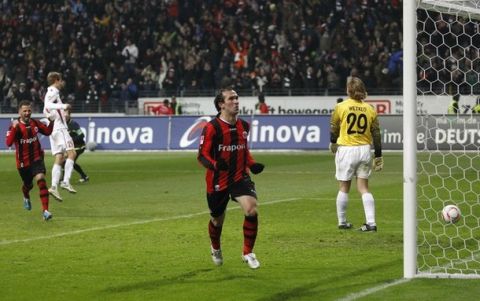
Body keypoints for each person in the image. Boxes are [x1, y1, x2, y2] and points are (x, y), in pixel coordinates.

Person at [197, 88, 265, 269]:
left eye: (237, 98)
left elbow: (244, 150)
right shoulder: (212, 128)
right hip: (217, 180)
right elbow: (202, 155)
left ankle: (248, 252)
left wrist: (252, 164)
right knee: (217, 220)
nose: (236, 101)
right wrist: (215, 165)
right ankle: (216, 247)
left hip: (239, 177)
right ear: (221, 104)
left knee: (251, 209)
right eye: (231, 99)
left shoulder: (244, 126)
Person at [329, 77, 383, 232]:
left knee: (344, 187)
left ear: (348, 90)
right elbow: (376, 134)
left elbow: (334, 127)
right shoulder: (370, 109)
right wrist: (378, 155)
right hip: (365, 150)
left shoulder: (341, 106)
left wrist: (333, 142)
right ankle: (371, 223)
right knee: (364, 188)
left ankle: (342, 221)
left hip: (346, 149)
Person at [5, 101, 55, 220]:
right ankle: (26, 195)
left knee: (41, 180)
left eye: (29, 111)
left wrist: (52, 122)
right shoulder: (14, 126)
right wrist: (14, 128)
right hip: (23, 163)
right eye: (25, 111)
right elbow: (8, 143)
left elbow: (47, 132)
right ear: (19, 112)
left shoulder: (35, 123)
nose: (27, 113)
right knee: (28, 185)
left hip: (37, 158)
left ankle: (45, 211)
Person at [43, 71, 77, 202]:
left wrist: (63, 114)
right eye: (61, 80)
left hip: (54, 129)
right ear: (57, 80)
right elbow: (48, 106)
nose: (62, 83)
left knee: (60, 157)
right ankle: (66, 181)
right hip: (60, 129)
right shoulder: (53, 92)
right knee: (72, 153)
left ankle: (53, 186)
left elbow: (47, 111)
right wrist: (64, 106)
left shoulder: (50, 93)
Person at [64, 108, 89, 183]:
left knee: (69, 161)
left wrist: (71, 140)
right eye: (63, 113)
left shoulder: (73, 124)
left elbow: (81, 135)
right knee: (68, 162)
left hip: (80, 146)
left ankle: (63, 179)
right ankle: (84, 176)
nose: (64, 115)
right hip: (72, 147)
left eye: (66, 113)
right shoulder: (62, 124)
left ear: (69, 114)